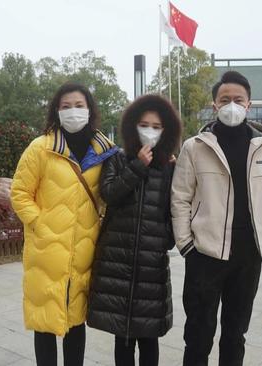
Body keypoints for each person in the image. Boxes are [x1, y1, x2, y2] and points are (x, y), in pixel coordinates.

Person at [171, 71, 262, 366]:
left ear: (249, 104)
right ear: (214, 105)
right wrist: (186, 246)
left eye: (238, 99)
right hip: (205, 255)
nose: (231, 105)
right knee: (198, 334)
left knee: (236, 334)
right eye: (225, 99)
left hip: (248, 256)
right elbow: (180, 197)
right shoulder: (195, 147)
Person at [10, 82, 118, 366]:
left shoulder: (104, 151)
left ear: (90, 110)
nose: (73, 112)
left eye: (79, 106)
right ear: (56, 111)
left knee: (75, 321)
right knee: (45, 320)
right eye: (66, 106)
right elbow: (20, 193)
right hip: (46, 251)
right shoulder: (41, 148)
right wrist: (39, 224)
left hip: (84, 249)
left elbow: (115, 187)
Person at [87, 94, 182, 366]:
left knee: (149, 337)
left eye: (156, 126)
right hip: (117, 261)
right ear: (132, 125)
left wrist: (165, 239)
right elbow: (110, 194)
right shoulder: (117, 159)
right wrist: (138, 165)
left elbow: (175, 210)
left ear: (166, 131)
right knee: (123, 336)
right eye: (144, 124)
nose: (150, 130)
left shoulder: (169, 168)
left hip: (151, 266)